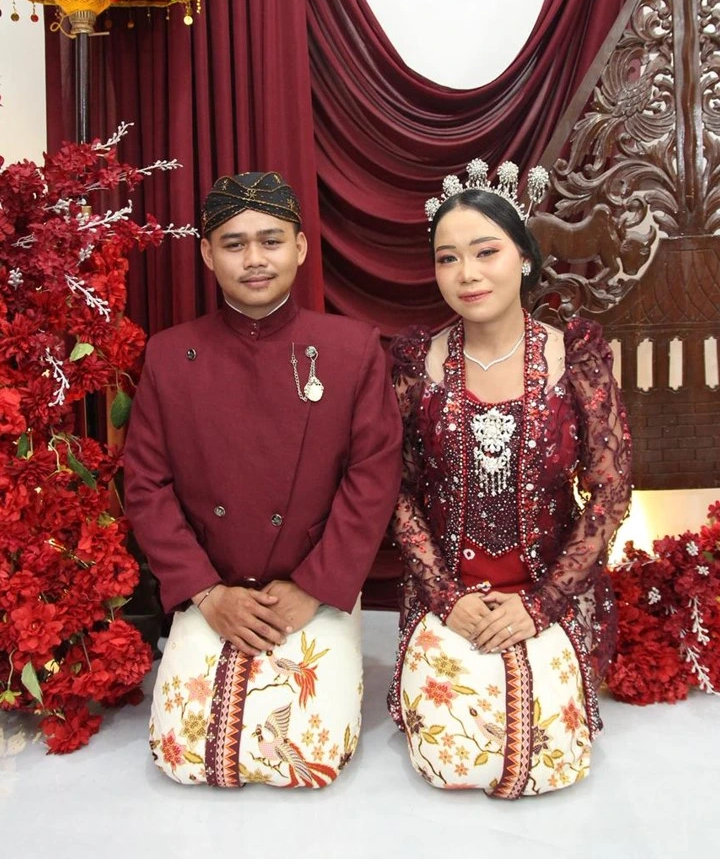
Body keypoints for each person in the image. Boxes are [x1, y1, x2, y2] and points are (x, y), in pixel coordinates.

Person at [124, 171, 402, 788]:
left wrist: (314, 587)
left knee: (310, 756)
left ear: (300, 247)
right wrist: (205, 593)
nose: (254, 259)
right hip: (213, 583)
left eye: (271, 240)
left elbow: (373, 477)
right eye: (234, 243)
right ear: (207, 253)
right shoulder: (169, 355)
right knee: (181, 752)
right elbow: (146, 485)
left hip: (313, 585)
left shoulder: (351, 349)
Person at [388, 159, 631, 798]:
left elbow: (609, 490)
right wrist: (446, 597)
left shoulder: (575, 356)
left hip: (551, 594)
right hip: (448, 596)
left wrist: (544, 603)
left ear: (523, 256)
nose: (467, 274)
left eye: (485, 251)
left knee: (550, 756)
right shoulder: (415, 362)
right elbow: (396, 491)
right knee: (452, 753)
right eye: (447, 258)